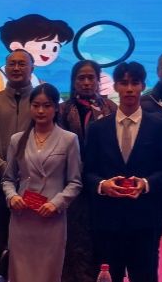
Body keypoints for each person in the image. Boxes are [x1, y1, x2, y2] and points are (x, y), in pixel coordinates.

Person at [84, 61, 162, 282]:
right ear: (115, 86)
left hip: (145, 218)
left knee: (144, 276)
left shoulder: (159, 126)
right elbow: (87, 171)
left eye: (135, 83)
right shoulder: (97, 129)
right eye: (124, 83)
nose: (130, 89)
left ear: (143, 86)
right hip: (107, 219)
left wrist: (146, 183)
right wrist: (102, 185)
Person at [2, 83, 83, 282]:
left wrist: (56, 203)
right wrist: (12, 197)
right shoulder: (17, 140)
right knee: (20, 273)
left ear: (56, 108)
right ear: (30, 107)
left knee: (48, 273)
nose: (40, 111)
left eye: (47, 106)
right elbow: (8, 179)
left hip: (51, 218)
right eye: (36, 105)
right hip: (22, 218)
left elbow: (75, 182)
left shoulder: (69, 139)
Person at [57, 60, 117, 282]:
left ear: (98, 80)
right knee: (74, 243)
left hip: (104, 186)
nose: (86, 82)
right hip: (72, 186)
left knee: (102, 240)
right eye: (81, 78)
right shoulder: (62, 110)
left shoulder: (111, 109)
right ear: (73, 81)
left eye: (91, 77)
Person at [0, 49, 35, 274]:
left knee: (31, 242)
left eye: (22, 63)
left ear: (32, 68)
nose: (16, 68)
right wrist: (7, 171)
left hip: (33, 187)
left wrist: (26, 173)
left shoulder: (41, 102)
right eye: (12, 64)